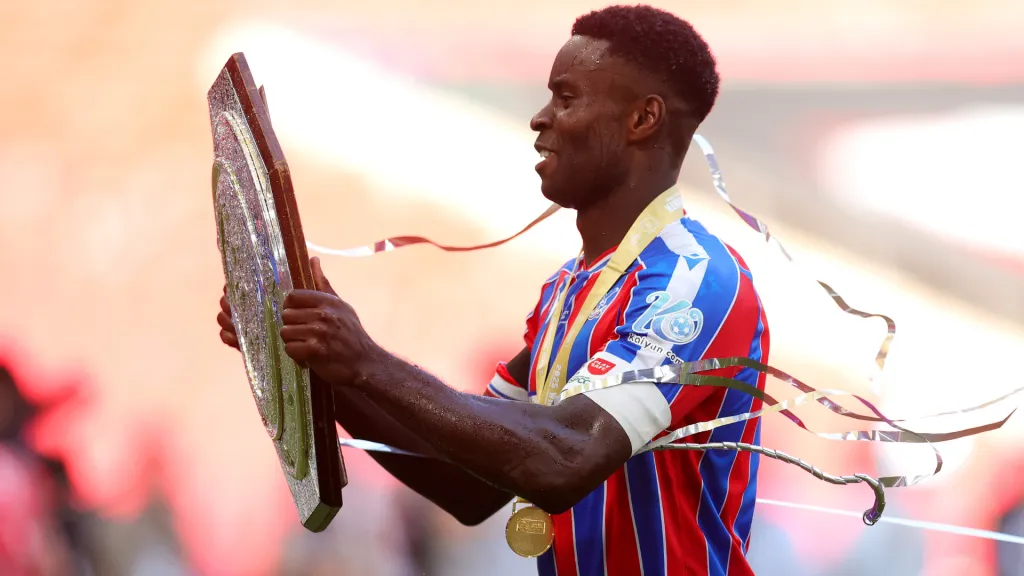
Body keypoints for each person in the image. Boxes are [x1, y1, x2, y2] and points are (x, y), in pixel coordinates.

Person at [218, 5, 769, 575]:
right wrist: (318, 367)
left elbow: (566, 458)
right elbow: (470, 483)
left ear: (642, 119)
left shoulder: (695, 281)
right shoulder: (567, 292)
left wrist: (365, 362)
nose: (540, 118)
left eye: (566, 97)